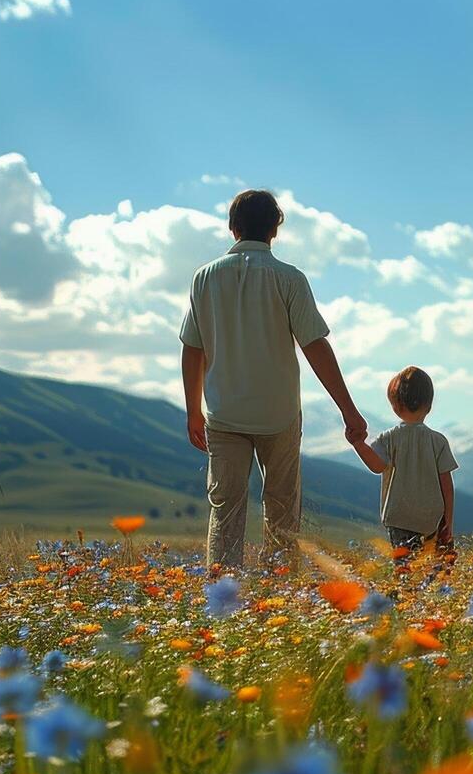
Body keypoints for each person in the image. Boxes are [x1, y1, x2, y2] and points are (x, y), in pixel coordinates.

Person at [179, 189, 368, 568]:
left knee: (226, 512)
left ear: (233, 228)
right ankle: (279, 594)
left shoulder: (205, 278)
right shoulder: (290, 279)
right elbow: (315, 346)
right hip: (278, 414)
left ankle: (223, 601)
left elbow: (193, 349)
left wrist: (193, 411)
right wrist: (349, 410)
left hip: (224, 413)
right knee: (282, 512)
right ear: (274, 230)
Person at [348, 366, 457, 554]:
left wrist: (358, 444)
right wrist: (447, 521)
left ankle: (406, 582)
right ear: (429, 406)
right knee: (434, 567)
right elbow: (446, 486)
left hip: (399, 516)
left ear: (395, 406)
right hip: (431, 517)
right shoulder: (438, 441)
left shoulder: (389, 438)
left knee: (404, 565)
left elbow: (376, 466)